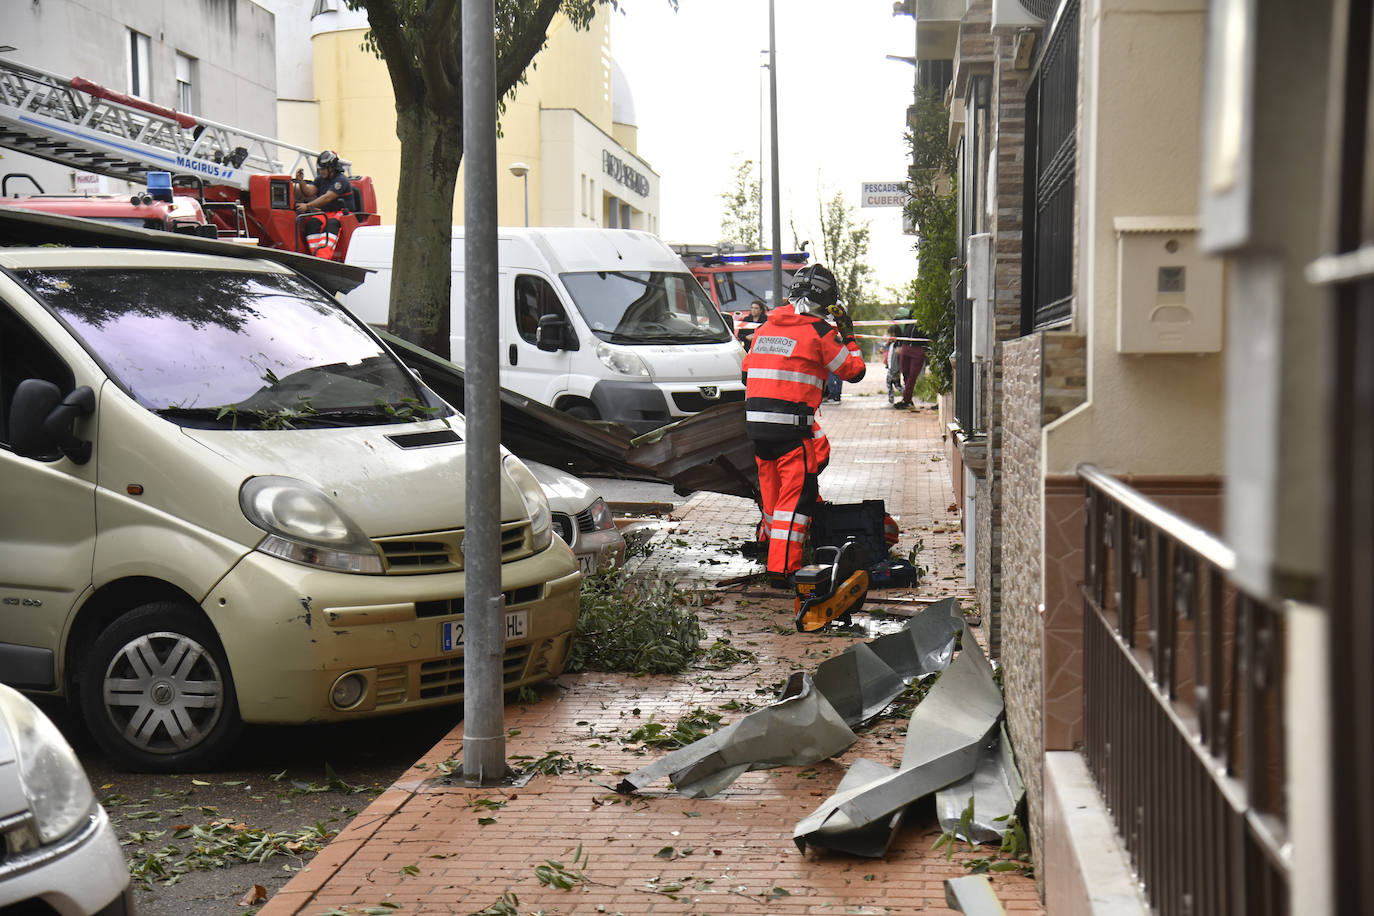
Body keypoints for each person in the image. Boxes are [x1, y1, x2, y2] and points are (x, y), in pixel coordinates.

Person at [741, 263, 866, 587]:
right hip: (791, 431)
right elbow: (854, 370)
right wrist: (848, 335)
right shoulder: (820, 333)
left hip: (756, 429)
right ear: (827, 301)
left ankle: (770, 549)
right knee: (797, 500)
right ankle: (781, 570)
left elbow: (746, 372)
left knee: (772, 495)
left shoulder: (765, 327)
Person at [294, 150, 353, 260]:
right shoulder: (321, 180)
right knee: (312, 223)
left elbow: (327, 197)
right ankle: (316, 257)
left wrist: (307, 206)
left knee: (332, 224)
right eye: (320, 169)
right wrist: (301, 181)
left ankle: (323, 258)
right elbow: (309, 192)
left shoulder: (341, 181)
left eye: (324, 169)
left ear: (332, 167)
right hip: (326, 213)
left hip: (342, 214)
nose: (321, 171)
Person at [891, 306, 927, 409]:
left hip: (918, 348)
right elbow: (907, 324)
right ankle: (908, 399)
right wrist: (900, 343)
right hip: (906, 346)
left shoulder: (928, 308)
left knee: (912, 375)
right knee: (905, 373)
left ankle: (906, 400)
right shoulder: (913, 309)